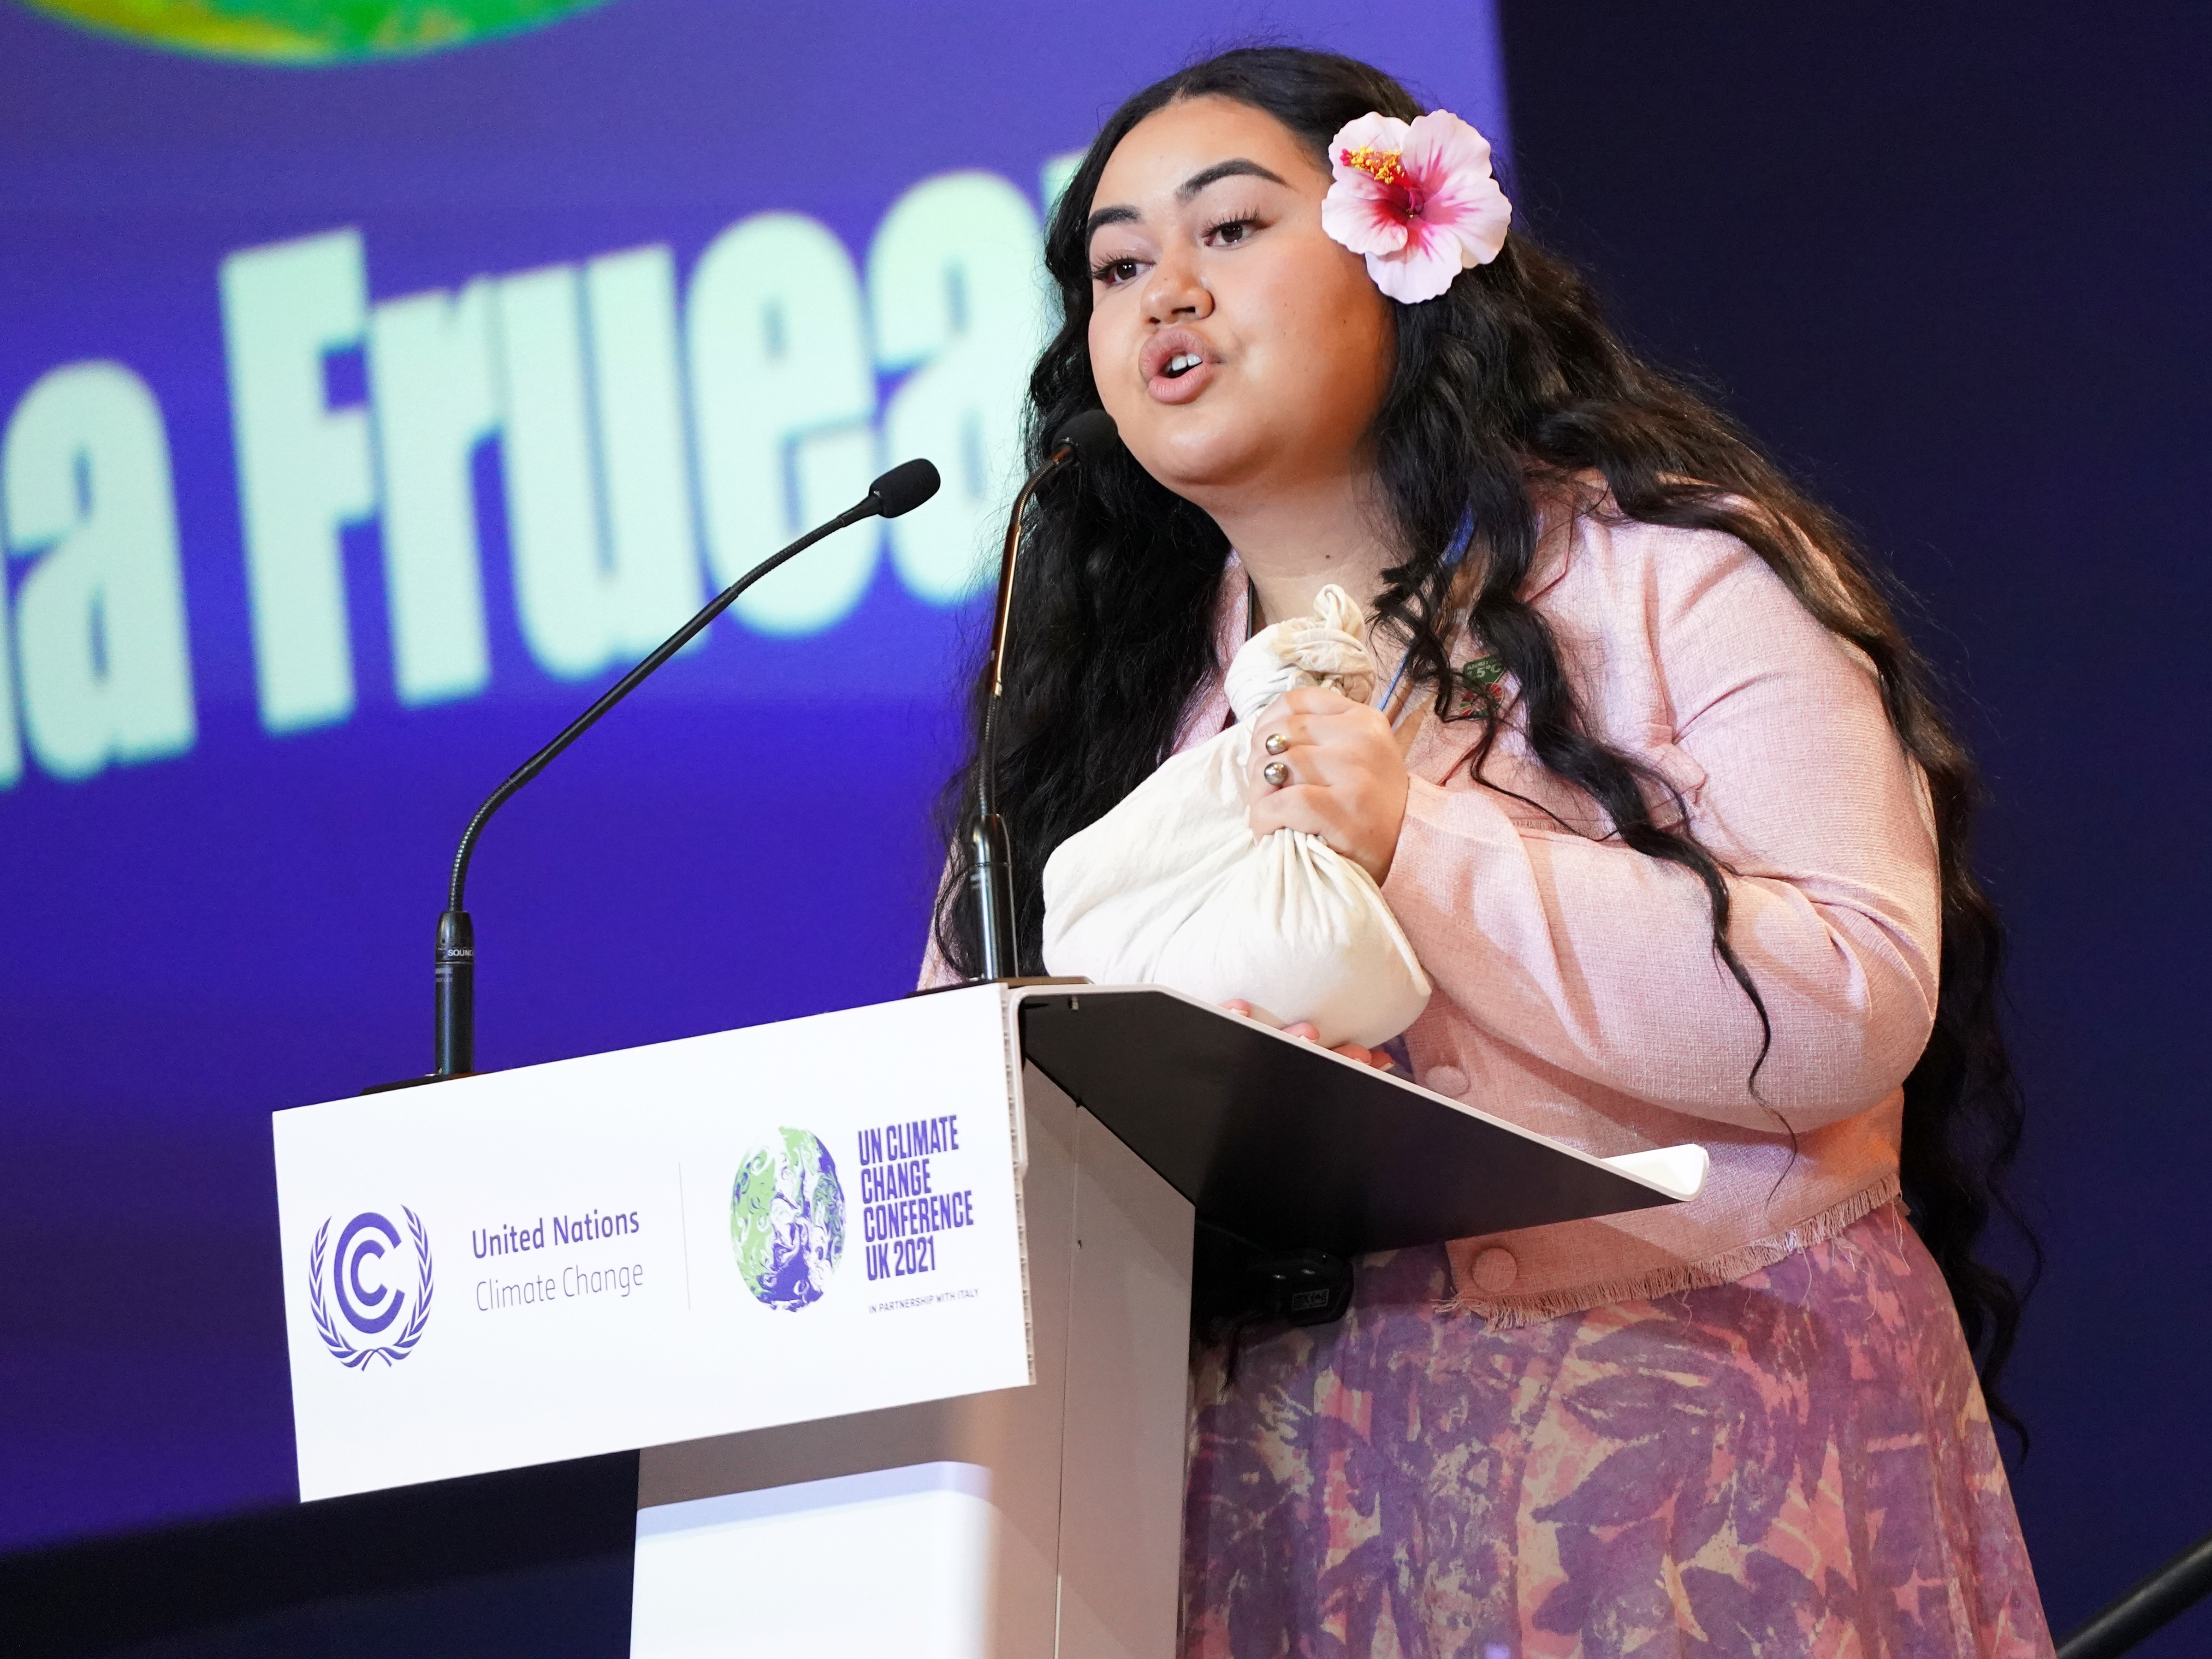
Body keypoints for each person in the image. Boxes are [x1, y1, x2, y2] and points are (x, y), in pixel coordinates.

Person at [927, 45, 2049, 1659]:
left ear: (1406, 262)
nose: (1163, 291)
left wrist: (1417, 844)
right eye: (1116, 263)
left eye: (1230, 230)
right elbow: (981, 1101)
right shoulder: (1094, 727)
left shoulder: (1672, 583)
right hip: (1271, 1515)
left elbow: (1852, 1001)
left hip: (1688, 1476)